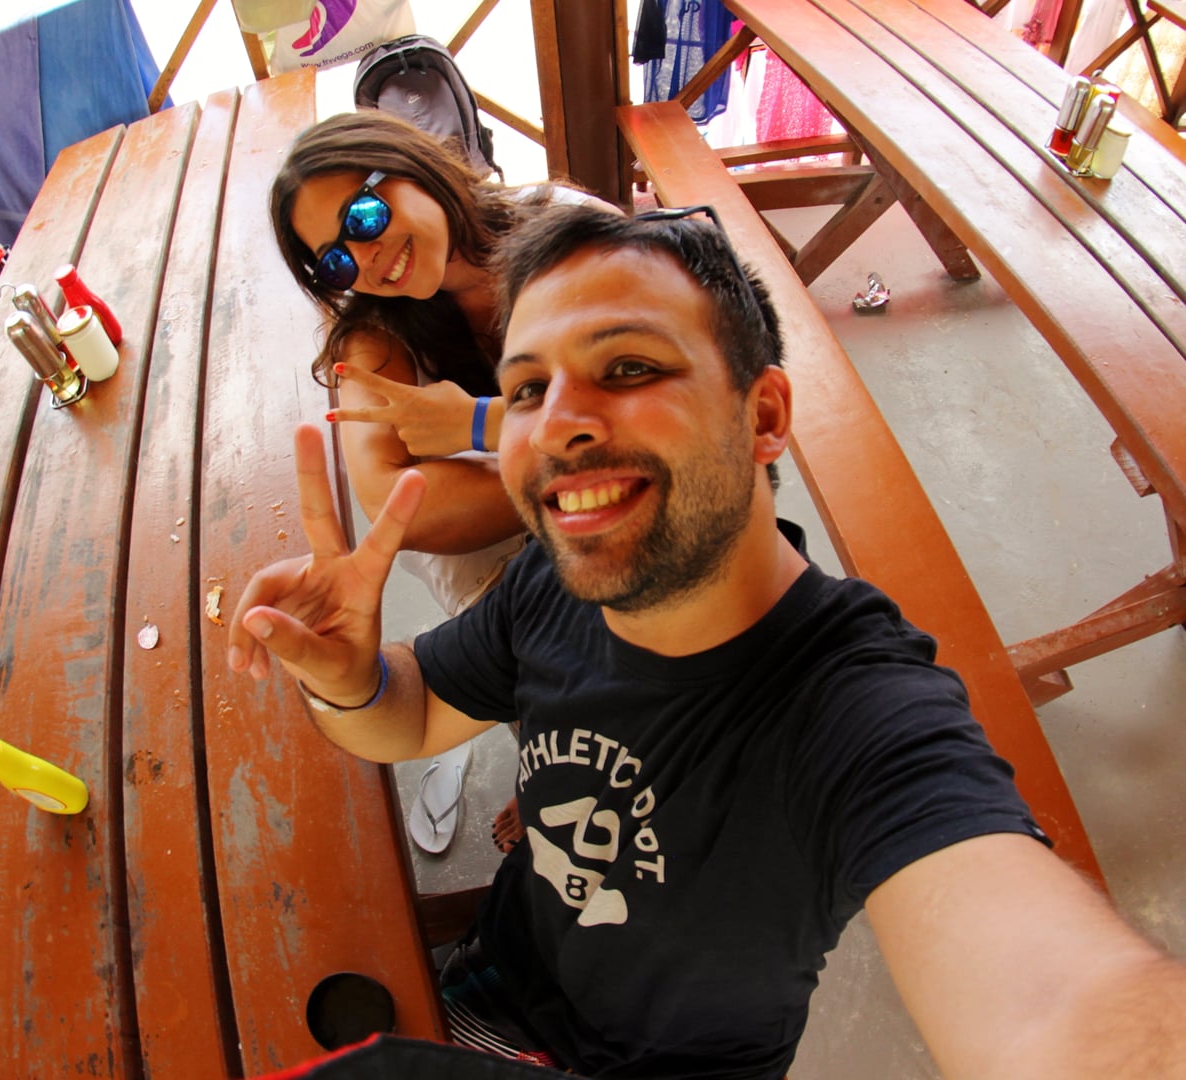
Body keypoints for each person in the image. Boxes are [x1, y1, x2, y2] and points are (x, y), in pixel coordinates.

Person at [229, 204, 1186, 1078]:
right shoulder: (553, 581)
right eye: (525, 390)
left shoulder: (855, 710)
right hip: (493, 983)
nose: (558, 426)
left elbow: (1055, 1008)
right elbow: (409, 715)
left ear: (763, 414)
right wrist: (350, 680)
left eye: (629, 368)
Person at [271, 111, 604, 853]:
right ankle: (548, 768)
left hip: (612, 522)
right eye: (335, 261)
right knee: (548, 703)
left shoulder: (566, 226)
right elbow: (405, 510)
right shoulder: (375, 338)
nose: (366, 258)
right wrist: (583, 457)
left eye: (363, 217)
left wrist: (479, 426)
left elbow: (672, 390)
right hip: (505, 578)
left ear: (409, 163)